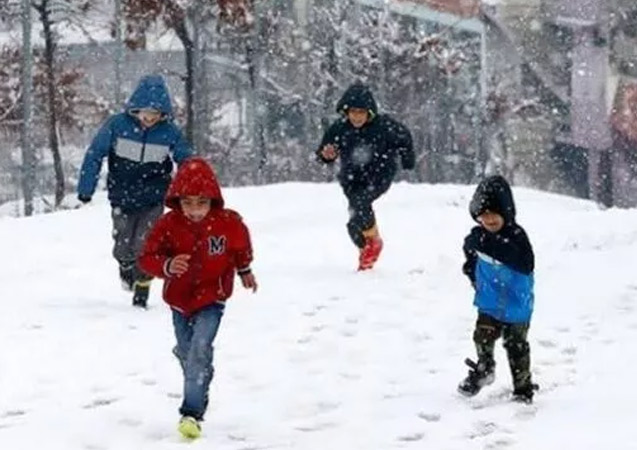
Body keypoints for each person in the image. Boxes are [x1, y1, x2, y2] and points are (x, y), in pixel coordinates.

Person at [138, 157, 257, 439]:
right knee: (187, 351)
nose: (194, 210)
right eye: (187, 203)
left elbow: (240, 247)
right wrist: (166, 265)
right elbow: (147, 257)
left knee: (199, 348)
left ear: (213, 200)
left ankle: (191, 413)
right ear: (177, 200)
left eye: (201, 203)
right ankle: (199, 371)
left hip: (212, 297)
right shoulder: (168, 224)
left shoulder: (228, 223)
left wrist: (245, 270)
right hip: (179, 300)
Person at [77, 74, 192, 307]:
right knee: (123, 243)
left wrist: (189, 190)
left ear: (164, 114)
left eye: (156, 114)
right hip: (122, 195)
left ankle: (143, 286)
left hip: (153, 197)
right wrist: (86, 187)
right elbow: (95, 154)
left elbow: (187, 161)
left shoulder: (169, 132)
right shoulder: (117, 126)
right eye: (145, 113)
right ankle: (126, 267)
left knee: (146, 243)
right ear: (135, 110)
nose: (149, 119)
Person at [316, 82, 415, 270]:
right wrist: (326, 155)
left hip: (379, 175)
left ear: (370, 112)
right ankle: (370, 244)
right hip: (351, 178)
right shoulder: (339, 128)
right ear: (346, 112)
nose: (357, 117)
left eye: (361, 112)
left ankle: (372, 246)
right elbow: (324, 151)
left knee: (361, 205)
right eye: (353, 112)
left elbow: (405, 138)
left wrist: (407, 159)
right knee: (355, 221)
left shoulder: (384, 126)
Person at [458, 175, 537, 403]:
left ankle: (522, 387)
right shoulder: (477, 237)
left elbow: (524, 263)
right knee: (482, 336)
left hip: (516, 304)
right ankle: (484, 369)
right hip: (490, 301)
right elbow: (471, 255)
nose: (489, 219)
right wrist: (472, 273)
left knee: (516, 346)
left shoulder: (516, 236)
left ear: (506, 212)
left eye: (494, 213)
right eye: (483, 215)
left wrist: (490, 245)